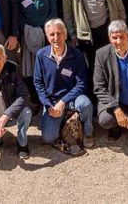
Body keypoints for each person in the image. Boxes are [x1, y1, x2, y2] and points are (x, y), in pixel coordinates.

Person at [34, 19, 94, 150]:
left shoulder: (77, 55)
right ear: (47, 36)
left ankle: (88, 132)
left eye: (59, 33)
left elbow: (81, 84)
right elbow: (38, 83)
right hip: (52, 102)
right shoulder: (41, 55)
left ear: (65, 35)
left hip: (72, 99)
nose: (56, 38)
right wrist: (48, 105)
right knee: (48, 138)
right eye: (52, 34)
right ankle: (66, 121)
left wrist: (63, 101)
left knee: (86, 104)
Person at [13, 0, 58, 87]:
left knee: (50, 68)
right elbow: (17, 13)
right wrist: (29, 30)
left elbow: (53, 9)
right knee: (31, 71)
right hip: (27, 37)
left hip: (47, 35)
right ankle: (34, 99)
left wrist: (46, 30)